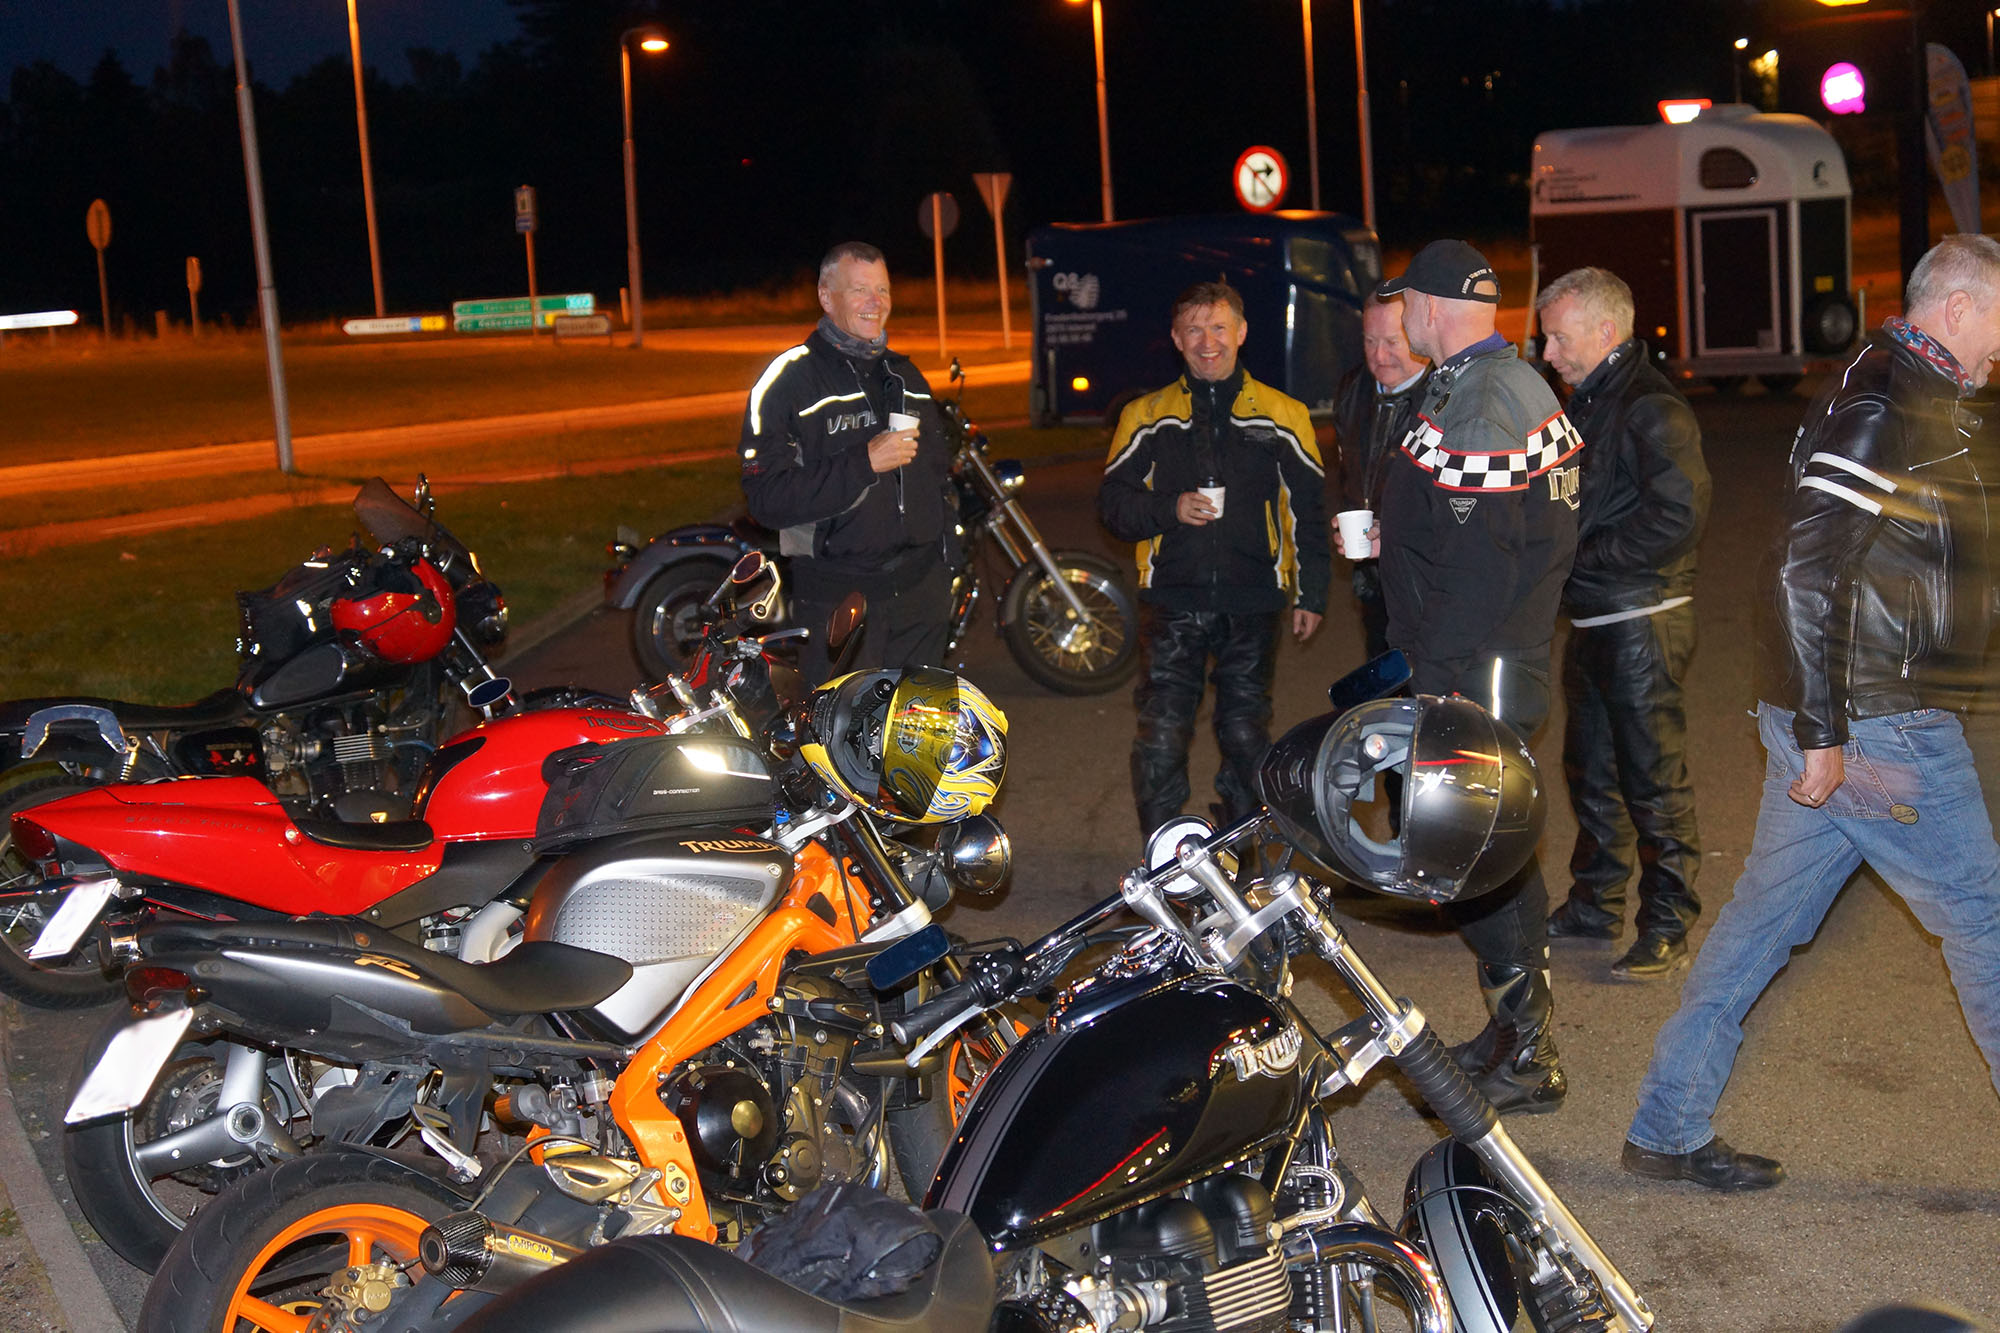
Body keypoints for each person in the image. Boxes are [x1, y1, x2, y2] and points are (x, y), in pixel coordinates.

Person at [1623, 235, 2000, 1192]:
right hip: (1876, 722)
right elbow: (1804, 567)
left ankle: (1666, 1125)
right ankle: (1666, 1122)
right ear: (1958, 307)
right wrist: (1824, 733)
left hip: (1852, 713)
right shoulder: (1885, 403)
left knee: (1760, 923)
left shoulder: (1906, 388)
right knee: (1986, 923)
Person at [1372, 239, 1584, 1114]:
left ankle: (1527, 1048)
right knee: (1486, 843)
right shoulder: (1483, 383)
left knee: (1480, 844)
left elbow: (1482, 562)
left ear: (1429, 307)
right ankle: (1512, 1031)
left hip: (1478, 663)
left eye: (1404, 306)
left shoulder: (1487, 399)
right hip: (1484, 654)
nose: (1399, 321)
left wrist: (1438, 679)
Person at [1099, 281, 1331, 840]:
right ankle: (1164, 857)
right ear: (1177, 339)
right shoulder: (1146, 415)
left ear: (1241, 332)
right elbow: (1113, 507)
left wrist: (1312, 593)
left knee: (1246, 734)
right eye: (1195, 330)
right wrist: (1170, 508)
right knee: (1161, 735)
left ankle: (1240, 848)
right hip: (1171, 599)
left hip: (1253, 600)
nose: (1209, 342)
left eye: (1219, 327)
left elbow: (1308, 512)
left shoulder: (1284, 415)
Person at [1535, 267, 1712, 982]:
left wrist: (1585, 557)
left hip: (1642, 620)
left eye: (1558, 337)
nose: (1547, 353)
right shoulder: (1590, 402)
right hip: (1596, 617)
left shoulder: (1650, 407)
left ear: (1606, 332)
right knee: (1591, 772)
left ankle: (1669, 923)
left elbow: (1678, 515)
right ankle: (1596, 901)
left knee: (1652, 780)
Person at [737, 241, 957, 683]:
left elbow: (938, 478)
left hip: (921, 596)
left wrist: (945, 566)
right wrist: (863, 462)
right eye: (860, 290)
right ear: (826, 297)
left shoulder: (906, 376)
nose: (876, 303)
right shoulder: (788, 381)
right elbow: (767, 498)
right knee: (847, 726)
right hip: (840, 601)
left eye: (883, 290)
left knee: (919, 724)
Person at [1331, 293, 1429, 660]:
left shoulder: (1446, 398)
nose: (1379, 355)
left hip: (1427, 585)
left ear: (1418, 336)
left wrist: (1402, 537)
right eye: (1370, 341)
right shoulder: (1353, 388)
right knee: (1383, 677)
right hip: (1373, 578)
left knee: (1430, 684)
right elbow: (1350, 473)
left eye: (1392, 342)